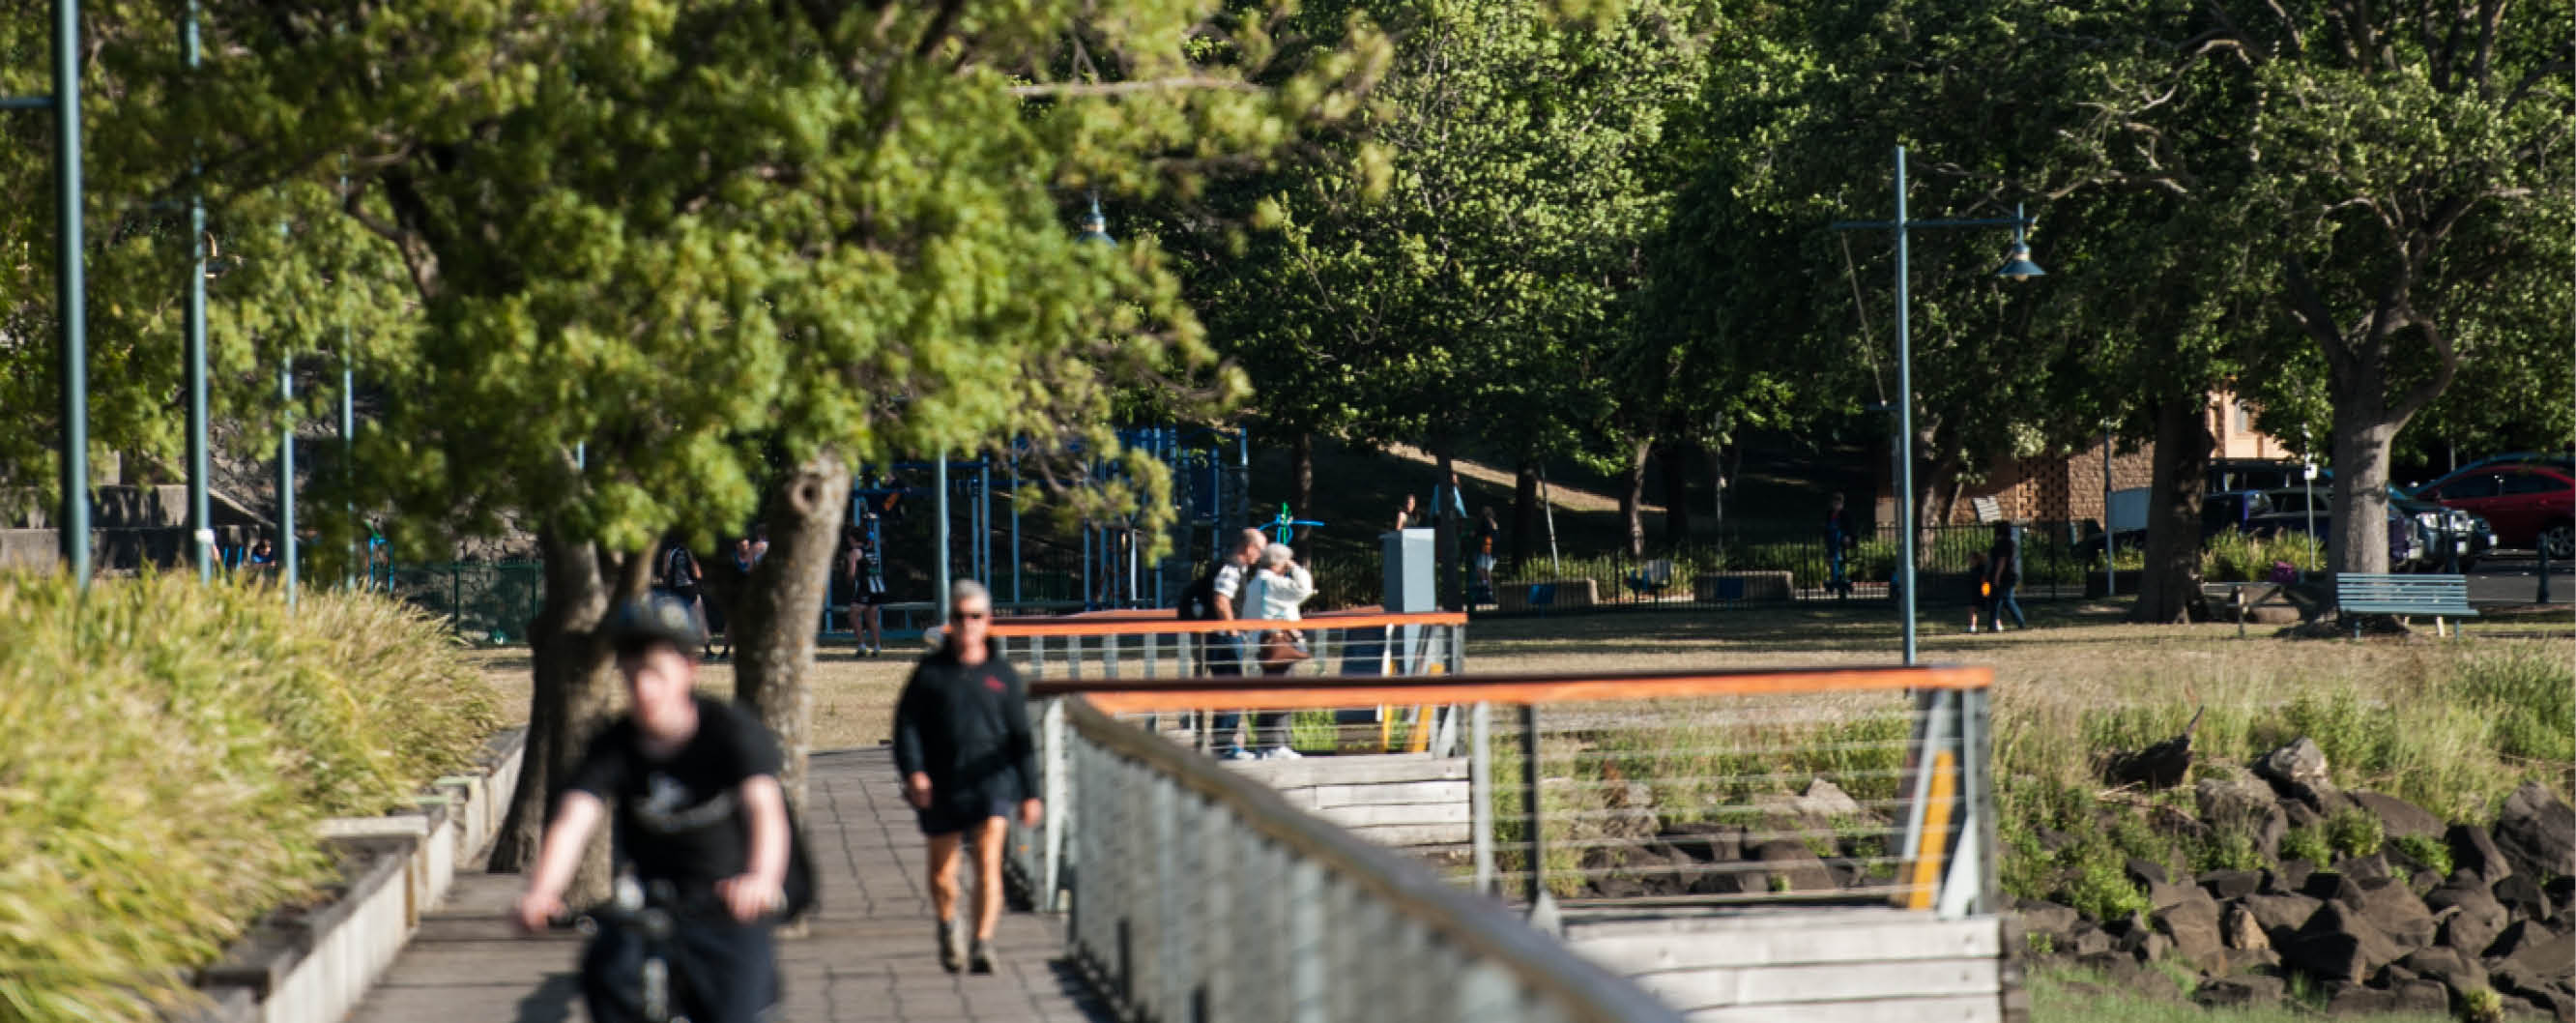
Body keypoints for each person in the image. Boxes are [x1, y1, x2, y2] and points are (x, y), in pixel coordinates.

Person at [511, 592, 795, 1023]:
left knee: (736, 1003)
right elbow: (575, 818)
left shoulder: (731, 731)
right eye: (632, 674)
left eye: (656, 672)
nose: (644, 689)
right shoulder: (614, 744)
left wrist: (760, 879)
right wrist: (543, 891)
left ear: (689, 669)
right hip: (646, 906)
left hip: (726, 905)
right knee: (605, 975)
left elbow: (765, 809)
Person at [893, 580, 1043, 975]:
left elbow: (1021, 738)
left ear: (987, 621)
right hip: (942, 785)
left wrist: (1031, 793)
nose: (967, 625)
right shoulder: (930, 674)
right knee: (943, 874)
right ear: (951, 622)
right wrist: (915, 774)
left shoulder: (1003, 676)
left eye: (974, 617)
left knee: (988, 862)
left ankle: (982, 942)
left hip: (992, 783)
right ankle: (948, 927)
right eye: (959, 617)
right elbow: (906, 726)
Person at [1238, 542, 1317, 760]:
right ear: (1278, 563)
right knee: (1282, 693)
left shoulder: (1255, 584)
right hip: (1278, 646)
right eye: (1285, 562)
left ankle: (1266, 746)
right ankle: (1277, 745)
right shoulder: (1273, 583)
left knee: (1269, 693)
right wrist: (1295, 568)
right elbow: (1305, 589)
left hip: (1260, 645)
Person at [1202, 528, 1272, 761]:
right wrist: (1232, 629)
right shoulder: (1232, 568)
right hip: (1224, 638)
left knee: (1229, 689)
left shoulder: (1231, 566)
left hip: (1220, 637)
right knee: (1232, 690)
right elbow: (1221, 600)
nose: (1260, 557)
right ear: (1249, 548)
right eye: (1260, 551)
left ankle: (1224, 744)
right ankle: (1225, 746)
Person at [657, 537, 715, 659]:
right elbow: (697, 573)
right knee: (700, 619)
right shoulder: (691, 552)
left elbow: (665, 571)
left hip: (675, 589)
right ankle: (708, 650)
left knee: (675, 621)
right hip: (691, 588)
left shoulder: (670, 552)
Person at [842, 515, 890, 657]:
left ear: (852, 539)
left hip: (867, 588)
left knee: (853, 615)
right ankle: (877, 647)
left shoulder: (854, 552)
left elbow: (852, 572)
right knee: (871, 618)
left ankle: (862, 646)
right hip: (879, 587)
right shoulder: (870, 550)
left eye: (849, 538)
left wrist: (849, 581)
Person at [1986, 521, 2026, 632]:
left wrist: (1997, 576)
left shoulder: (2002, 544)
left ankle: (1993, 623)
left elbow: (2001, 561)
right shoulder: (2011, 543)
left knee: (1998, 600)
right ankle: (2020, 622)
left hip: (2004, 576)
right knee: (2007, 599)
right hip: (2010, 575)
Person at [1824, 493, 1856, 599]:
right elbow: (1826, 527)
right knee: (1832, 562)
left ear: (1841, 504)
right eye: (1834, 503)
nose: (1836, 505)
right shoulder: (1829, 513)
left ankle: (1840, 584)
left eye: (1838, 503)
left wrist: (1848, 536)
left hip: (1840, 541)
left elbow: (1850, 527)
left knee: (1839, 562)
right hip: (1831, 541)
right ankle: (1835, 582)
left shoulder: (1845, 514)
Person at [1472, 506, 1501, 601]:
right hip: (1488, 550)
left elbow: (1480, 533)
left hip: (1489, 550)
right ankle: (1487, 589)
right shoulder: (1491, 523)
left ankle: (1488, 590)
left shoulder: (1488, 523)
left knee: (1484, 570)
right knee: (1482, 570)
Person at [1964, 550, 1992, 633]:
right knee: (1972, 608)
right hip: (1975, 591)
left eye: (1970, 558)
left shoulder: (1982, 567)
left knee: (1990, 608)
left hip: (1983, 589)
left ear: (1976, 559)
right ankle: (1972, 626)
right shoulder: (1973, 568)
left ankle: (1996, 623)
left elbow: (1985, 580)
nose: (1969, 561)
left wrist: (1986, 593)